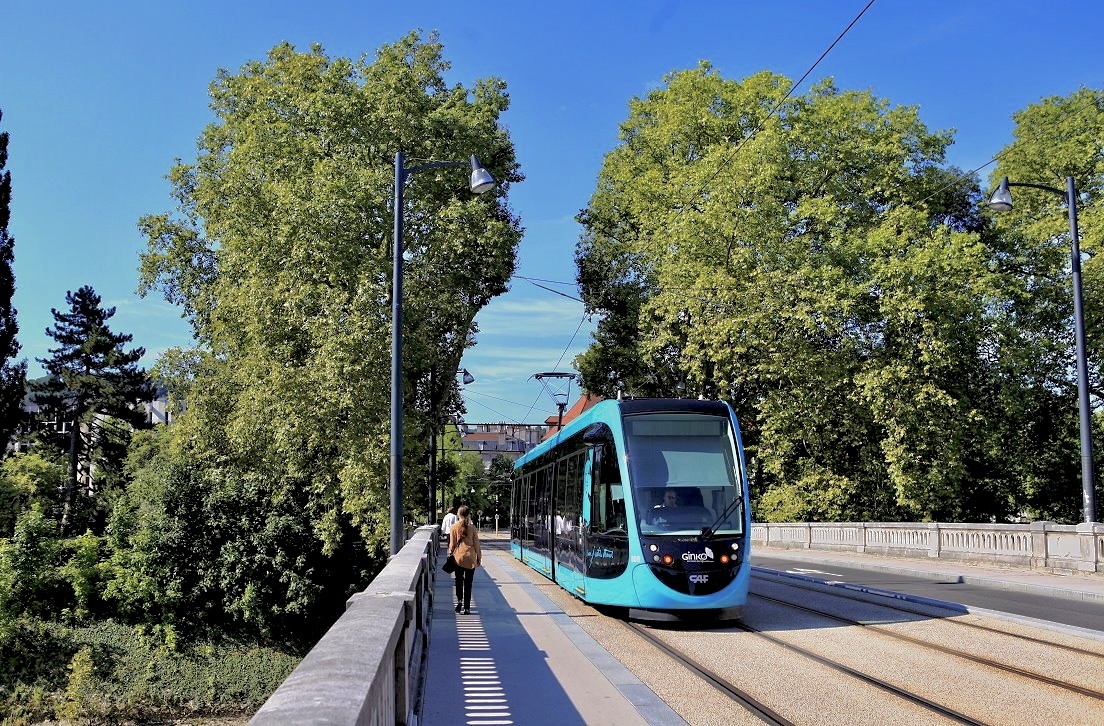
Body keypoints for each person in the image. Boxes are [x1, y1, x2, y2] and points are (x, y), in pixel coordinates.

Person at [448, 504, 481, 614]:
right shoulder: (472, 528)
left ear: (458, 514)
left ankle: (459, 602)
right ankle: (467, 608)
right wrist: (479, 558)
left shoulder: (453, 527)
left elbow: (452, 545)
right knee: (468, 583)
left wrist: (450, 553)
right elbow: (477, 544)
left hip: (458, 558)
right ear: (467, 515)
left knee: (458, 581)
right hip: (470, 558)